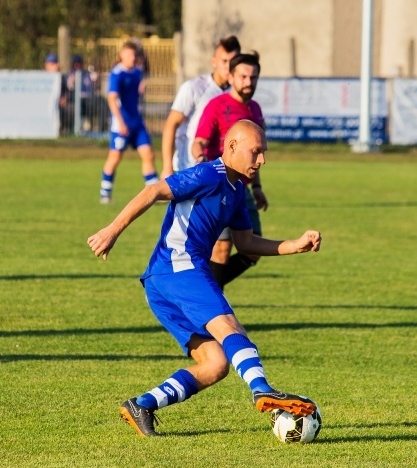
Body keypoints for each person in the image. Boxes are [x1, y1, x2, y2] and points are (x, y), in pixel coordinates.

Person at [87, 120, 321, 437]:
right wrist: (111, 230)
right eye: (256, 152)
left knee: (215, 364)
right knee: (229, 327)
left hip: (160, 281)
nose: (262, 160)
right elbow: (155, 190)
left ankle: (141, 405)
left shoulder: (236, 191)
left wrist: (294, 245)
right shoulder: (210, 174)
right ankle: (262, 389)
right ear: (232, 147)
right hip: (179, 268)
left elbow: (246, 243)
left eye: (263, 153)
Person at [192, 52, 267, 287]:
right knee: (222, 251)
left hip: (243, 190)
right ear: (231, 76)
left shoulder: (255, 109)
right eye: (243, 76)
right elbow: (199, 140)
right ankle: (211, 307)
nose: (248, 82)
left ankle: (202, 291)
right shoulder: (217, 105)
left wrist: (257, 186)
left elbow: (255, 153)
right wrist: (200, 158)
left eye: (253, 77)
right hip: (221, 186)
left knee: (254, 250)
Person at [161, 36, 241, 180]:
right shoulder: (194, 88)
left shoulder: (237, 93)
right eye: (224, 61)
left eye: (233, 61)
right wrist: (167, 166)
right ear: (214, 61)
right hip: (189, 167)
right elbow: (171, 125)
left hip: (223, 170)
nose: (228, 66)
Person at [99, 40, 158, 205]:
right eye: (129, 55)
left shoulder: (137, 72)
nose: (132, 58)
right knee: (115, 157)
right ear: (121, 56)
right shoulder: (117, 74)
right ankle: (105, 193)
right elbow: (112, 100)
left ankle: (154, 193)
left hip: (137, 123)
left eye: (134, 55)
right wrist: (121, 122)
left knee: (148, 154)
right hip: (121, 125)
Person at [65, 55, 96, 132]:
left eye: (79, 63)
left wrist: (96, 79)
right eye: (75, 63)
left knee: (101, 104)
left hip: (90, 98)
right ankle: (75, 129)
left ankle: (101, 131)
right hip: (77, 99)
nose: (77, 65)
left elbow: (95, 85)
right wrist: (74, 80)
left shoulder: (87, 74)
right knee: (76, 107)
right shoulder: (70, 74)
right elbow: (70, 87)